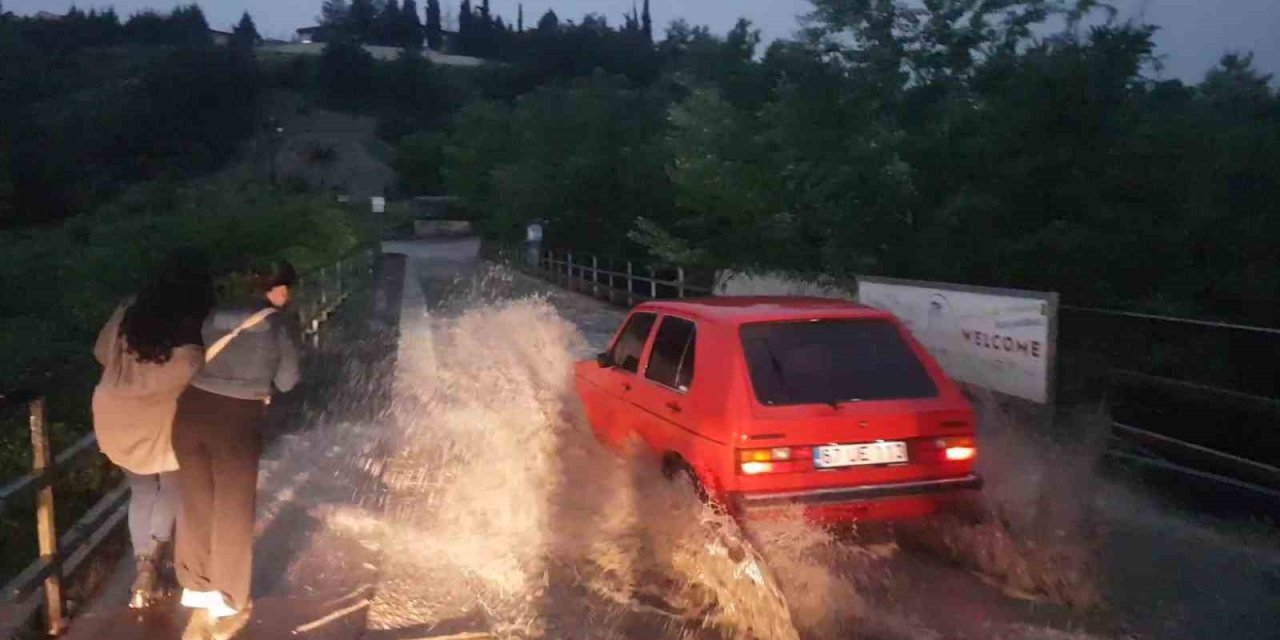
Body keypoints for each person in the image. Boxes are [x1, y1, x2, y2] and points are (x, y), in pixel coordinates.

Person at [173, 260, 301, 640]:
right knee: (232, 509)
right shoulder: (278, 323)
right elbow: (289, 381)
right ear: (279, 290)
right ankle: (226, 601)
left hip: (192, 410)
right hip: (236, 418)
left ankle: (196, 586)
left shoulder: (215, 313)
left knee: (196, 502)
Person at [92, 262, 214, 609]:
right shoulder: (192, 331)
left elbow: (102, 353)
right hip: (164, 419)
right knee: (171, 487)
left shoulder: (130, 312)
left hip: (115, 412)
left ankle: (142, 569)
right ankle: (152, 566)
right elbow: (199, 373)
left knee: (141, 489)